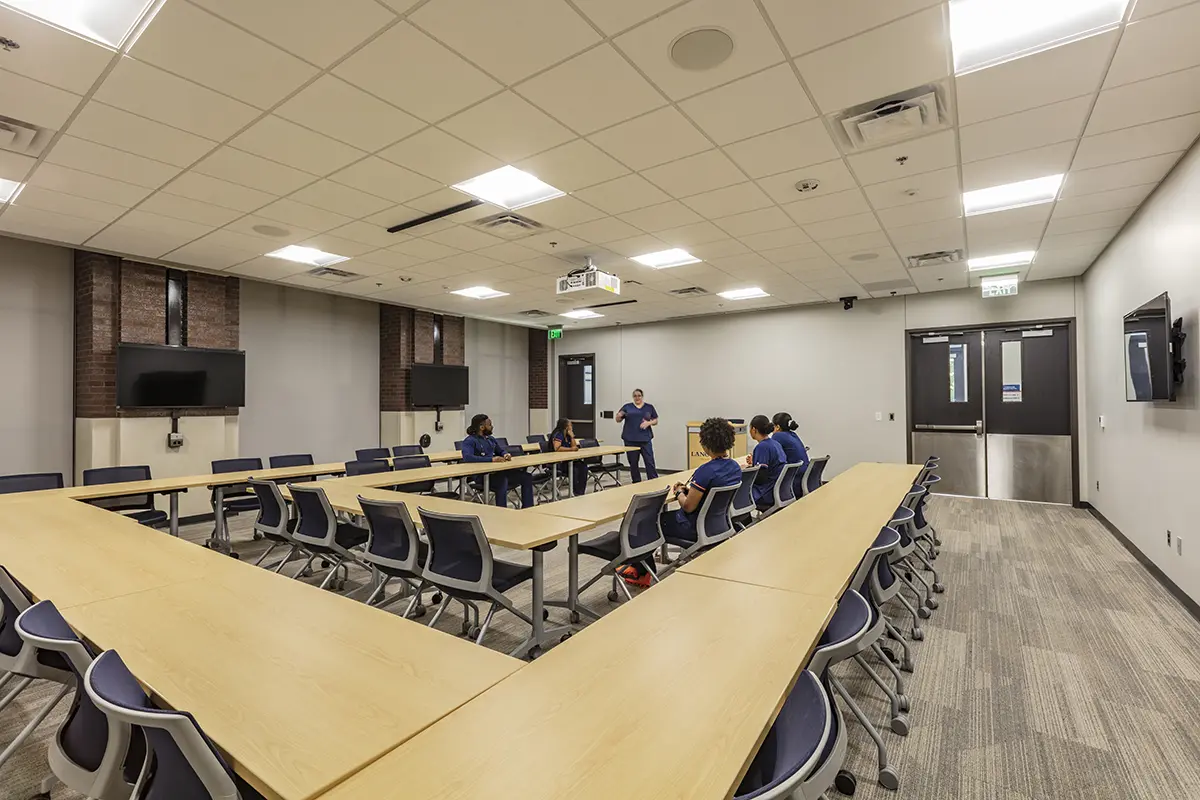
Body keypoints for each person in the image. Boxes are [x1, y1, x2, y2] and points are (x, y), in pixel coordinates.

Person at [617, 417, 741, 588]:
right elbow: (711, 494)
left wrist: (679, 492)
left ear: (705, 444)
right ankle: (642, 567)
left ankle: (642, 572)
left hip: (692, 527)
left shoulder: (705, 471)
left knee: (644, 522)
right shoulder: (734, 467)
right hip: (718, 526)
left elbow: (688, 506)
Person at [460, 414, 534, 508]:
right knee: (502, 481)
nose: (492, 427)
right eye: (489, 424)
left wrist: (505, 454)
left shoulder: (491, 439)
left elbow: (500, 450)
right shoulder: (469, 441)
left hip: (498, 471)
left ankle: (528, 507)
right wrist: (491, 460)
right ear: (482, 427)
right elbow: (468, 458)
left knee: (526, 477)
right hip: (482, 475)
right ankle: (502, 510)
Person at [615, 388, 658, 482]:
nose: (637, 397)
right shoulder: (627, 407)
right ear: (633, 397)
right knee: (633, 463)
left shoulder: (649, 407)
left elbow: (655, 420)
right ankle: (636, 481)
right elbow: (618, 419)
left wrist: (648, 423)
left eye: (639, 395)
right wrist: (618, 416)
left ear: (642, 396)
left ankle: (653, 480)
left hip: (645, 439)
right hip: (630, 439)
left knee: (649, 461)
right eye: (635, 396)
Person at [746, 415, 787, 512]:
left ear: (754, 429)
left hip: (765, 493)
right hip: (777, 490)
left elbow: (761, 477)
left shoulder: (762, 447)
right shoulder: (775, 444)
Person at [772, 412, 810, 497]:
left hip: (792, 482)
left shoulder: (777, 436)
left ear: (777, 427)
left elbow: (772, 457)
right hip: (803, 478)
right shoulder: (793, 435)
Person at [550, 417, 588, 497]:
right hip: (559, 462)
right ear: (566, 426)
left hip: (569, 460)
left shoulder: (567, 435)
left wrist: (572, 437)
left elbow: (574, 447)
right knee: (574, 470)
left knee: (583, 467)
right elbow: (557, 448)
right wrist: (571, 449)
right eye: (570, 425)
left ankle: (580, 491)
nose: (572, 426)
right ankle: (575, 491)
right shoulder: (558, 434)